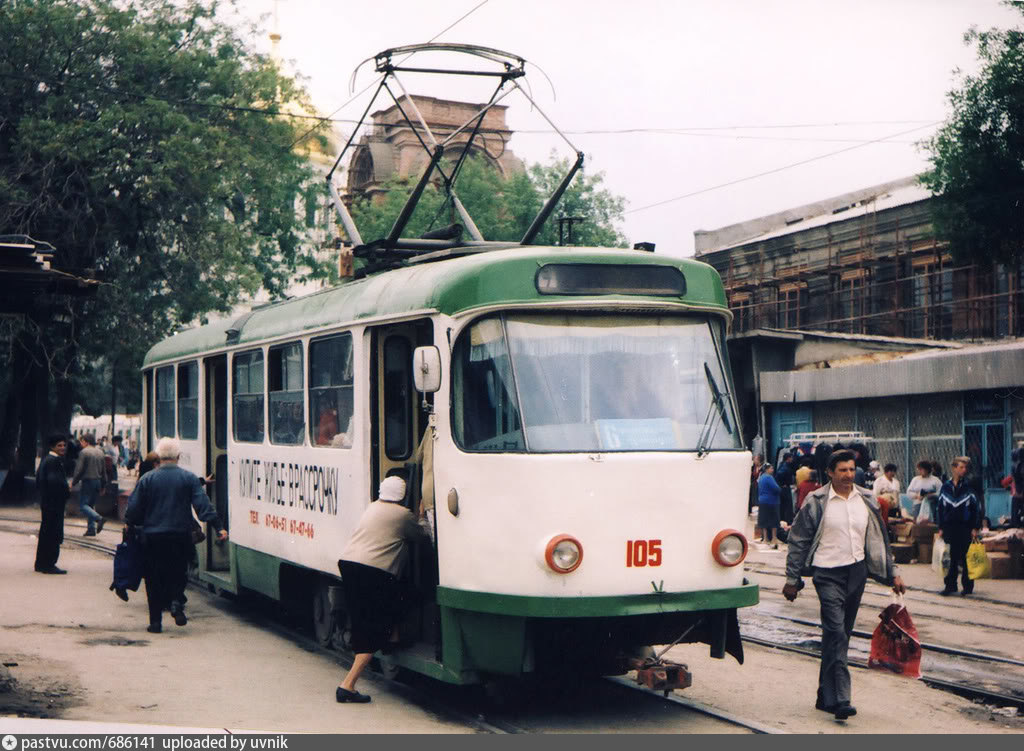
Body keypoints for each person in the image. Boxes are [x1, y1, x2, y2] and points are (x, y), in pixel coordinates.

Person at [782, 449, 905, 721]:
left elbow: (880, 540)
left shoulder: (867, 499)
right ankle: (841, 700)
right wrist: (792, 579)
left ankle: (825, 695)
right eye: (843, 471)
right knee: (836, 633)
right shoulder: (816, 501)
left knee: (840, 635)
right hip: (827, 574)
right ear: (830, 473)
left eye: (852, 470)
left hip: (856, 573)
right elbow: (798, 540)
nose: (849, 475)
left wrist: (892, 573)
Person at [335, 475, 429, 703]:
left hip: (349, 565)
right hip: (373, 571)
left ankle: (391, 638)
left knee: (371, 613)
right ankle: (347, 685)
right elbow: (422, 536)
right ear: (403, 495)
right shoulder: (402, 515)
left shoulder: (373, 507)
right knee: (378, 623)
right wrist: (423, 515)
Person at [124, 437, 227, 633]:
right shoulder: (188, 478)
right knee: (179, 572)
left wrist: (130, 523)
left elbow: (134, 509)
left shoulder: (147, 479)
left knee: (153, 577)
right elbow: (203, 506)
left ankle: (155, 623)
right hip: (180, 535)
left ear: (159, 456)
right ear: (178, 456)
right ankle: (176, 602)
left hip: (152, 537)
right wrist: (218, 526)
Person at [936, 456, 982, 597]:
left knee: (966, 557)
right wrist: (940, 527)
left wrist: (975, 527)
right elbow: (939, 508)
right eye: (961, 467)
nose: (964, 470)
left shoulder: (969, 487)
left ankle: (967, 587)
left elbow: (976, 509)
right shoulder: (946, 487)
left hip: (965, 527)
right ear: (954, 468)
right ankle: (950, 585)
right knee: (950, 558)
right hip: (949, 527)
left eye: (965, 468)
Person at [34, 434, 71, 574]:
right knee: (53, 533)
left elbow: (39, 481)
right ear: (52, 447)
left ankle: (41, 563)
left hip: (47, 502)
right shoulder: (54, 461)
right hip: (54, 503)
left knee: (45, 532)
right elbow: (55, 482)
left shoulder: (46, 460)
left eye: (64, 445)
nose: (62, 448)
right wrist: (66, 490)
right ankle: (49, 564)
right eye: (59, 445)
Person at [71, 433, 107, 536]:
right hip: (98, 481)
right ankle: (91, 529)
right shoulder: (100, 452)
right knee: (91, 505)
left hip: (88, 481)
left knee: (83, 505)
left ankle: (99, 518)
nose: (81, 444)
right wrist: (104, 485)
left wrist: (74, 482)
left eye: (82, 441)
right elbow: (104, 471)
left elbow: (79, 470)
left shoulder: (84, 452)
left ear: (86, 441)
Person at [757, 463, 781, 548]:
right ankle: (774, 538)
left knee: (764, 520)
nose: (772, 470)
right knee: (774, 520)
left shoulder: (761, 477)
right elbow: (776, 488)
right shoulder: (769, 477)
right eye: (771, 468)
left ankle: (765, 538)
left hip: (762, 500)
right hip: (772, 501)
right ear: (767, 469)